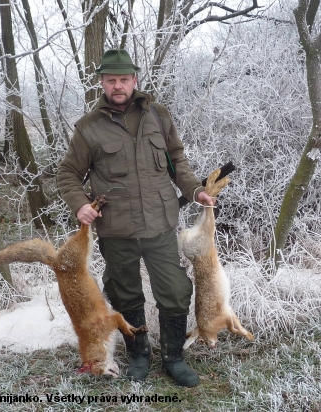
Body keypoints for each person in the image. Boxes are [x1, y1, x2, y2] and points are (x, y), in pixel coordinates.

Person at [57, 49, 213, 387]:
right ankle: (139, 354)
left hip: (159, 223)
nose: (118, 86)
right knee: (125, 294)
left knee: (174, 290)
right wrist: (80, 203)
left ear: (134, 80)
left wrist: (194, 190)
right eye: (111, 80)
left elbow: (177, 161)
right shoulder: (88, 128)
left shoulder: (157, 115)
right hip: (116, 229)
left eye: (123, 79)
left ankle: (174, 357)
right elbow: (68, 174)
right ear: (101, 82)